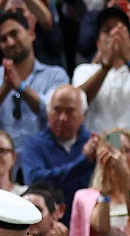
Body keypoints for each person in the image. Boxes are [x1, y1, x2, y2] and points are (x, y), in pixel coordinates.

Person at [0, 11, 69, 164]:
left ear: (31, 34)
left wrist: (21, 87)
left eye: (14, 34)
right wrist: (4, 89)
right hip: (1, 163)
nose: (10, 42)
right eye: (3, 39)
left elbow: (56, 112)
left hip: (45, 161)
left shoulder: (55, 75)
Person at [21, 84, 98, 220]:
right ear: (47, 112)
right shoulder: (33, 144)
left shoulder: (95, 142)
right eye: (57, 110)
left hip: (90, 220)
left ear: (83, 115)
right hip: (51, 223)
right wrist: (83, 162)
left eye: (69, 111)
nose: (62, 118)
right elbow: (36, 181)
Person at [73, 5, 130, 135]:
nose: (114, 34)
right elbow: (78, 102)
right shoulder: (85, 70)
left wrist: (127, 57)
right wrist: (106, 66)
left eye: (120, 30)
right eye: (107, 30)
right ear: (98, 42)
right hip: (96, 147)